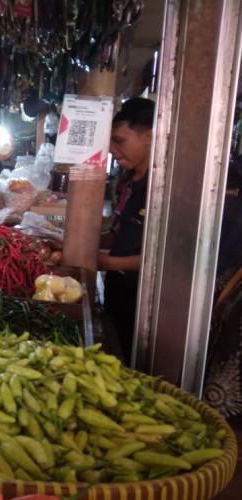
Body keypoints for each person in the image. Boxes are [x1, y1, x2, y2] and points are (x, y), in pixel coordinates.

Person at [99, 97, 155, 363]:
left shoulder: (161, 188)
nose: (112, 150)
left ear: (149, 136)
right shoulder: (126, 181)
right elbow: (120, 232)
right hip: (117, 288)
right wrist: (87, 243)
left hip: (143, 299)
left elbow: (164, 258)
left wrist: (108, 261)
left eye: (119, 141)